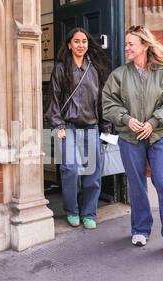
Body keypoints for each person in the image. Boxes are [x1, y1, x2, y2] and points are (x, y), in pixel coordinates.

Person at [102, 25, 163, 258]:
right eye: (126, 44)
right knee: (137, 185)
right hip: (130, 139)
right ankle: (141, 228)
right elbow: (108, 104)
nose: (127, 48)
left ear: (144, 45)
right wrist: (126, 119)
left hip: (158, 137)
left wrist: (152, 122)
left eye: (131, 43)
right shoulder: (119, 75)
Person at [45, 28, 112, 229]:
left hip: (91, 127)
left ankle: (89, 212)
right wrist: (58, 125)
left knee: (93, 173)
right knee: (70, 169)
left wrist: (106, 127)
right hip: (69, 127)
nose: (81, 45)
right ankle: (72, 210)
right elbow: (54, 99)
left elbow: (102, 100)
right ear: (69, 44)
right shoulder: (61, 68)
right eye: (76, 41)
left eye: (84, 41)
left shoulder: (95, 69)